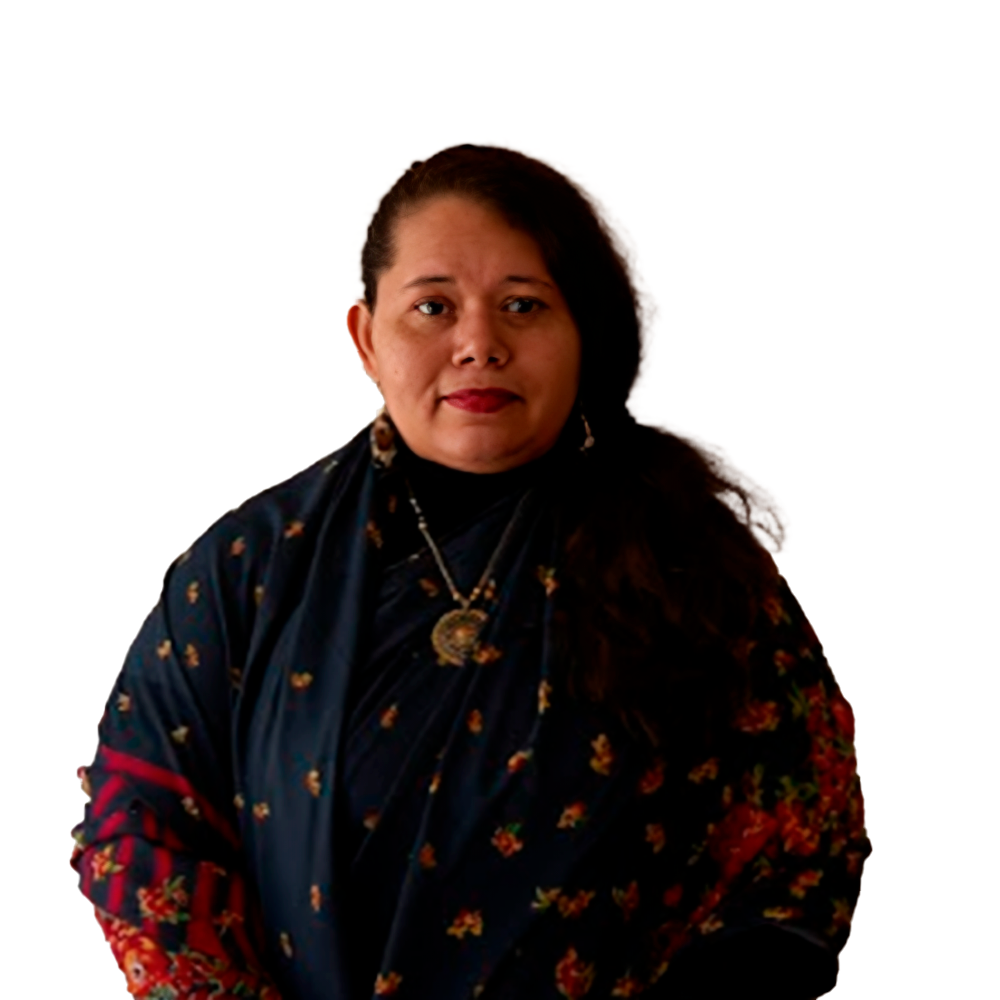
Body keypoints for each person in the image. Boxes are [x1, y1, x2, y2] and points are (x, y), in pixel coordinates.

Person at [72, 144, 870, 999]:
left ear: (584, 332)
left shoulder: (692, 564)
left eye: (523, 305)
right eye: (433, 307)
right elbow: (141, 826)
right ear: (366, 337)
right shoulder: (249, 569)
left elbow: (799, 849)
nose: (479, 344)